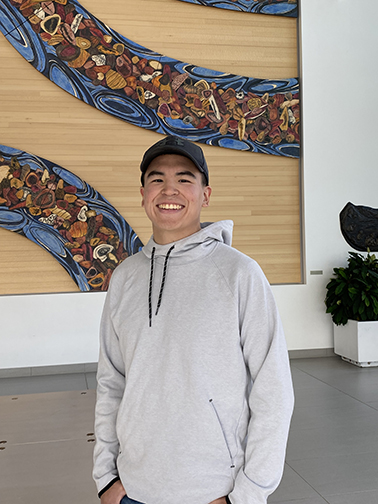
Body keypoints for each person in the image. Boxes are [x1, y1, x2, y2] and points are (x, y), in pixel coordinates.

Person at [93, 135, 294, 504]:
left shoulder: (239, 274)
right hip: (132, 489)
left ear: (206, 195)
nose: (169, 189)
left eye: (185, 179)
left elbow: (274, 390)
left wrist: (248, 495)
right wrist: (106, 477)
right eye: (157, 179)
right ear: (143, 194)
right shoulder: (125, 277)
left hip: (213, 491)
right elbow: (111, 383)